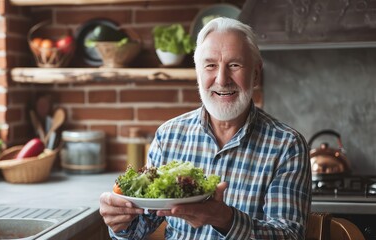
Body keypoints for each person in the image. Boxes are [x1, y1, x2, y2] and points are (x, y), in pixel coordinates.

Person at [99, 17, 311, 240]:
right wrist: (121, 223)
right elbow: (139, 228)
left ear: (256, 74)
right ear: (198, 73)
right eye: (210, 65)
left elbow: (290, 235)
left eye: (234, 65)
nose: (222, 79)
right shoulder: (169, 136)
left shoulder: (287, 145)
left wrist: (225, 219)